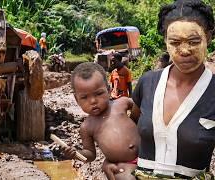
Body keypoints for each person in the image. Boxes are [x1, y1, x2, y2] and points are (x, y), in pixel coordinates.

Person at [105, 0, 215, 179]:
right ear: (165, 41)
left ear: (209, 36)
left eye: (194, 41)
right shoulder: (148, 83)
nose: (185, 50)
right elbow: (130, 133)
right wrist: (112, 162)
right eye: (175, 42)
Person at [64, 62, 140, 180]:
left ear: (108, 90)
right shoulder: (87, 127)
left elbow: (140, 107)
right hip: (122, 165)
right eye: (85, 97)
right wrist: (77, 154)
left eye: (99, 93)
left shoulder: (122, 103)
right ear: (76, 99)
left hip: (147, 155)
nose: (93, 101)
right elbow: (90, 154)